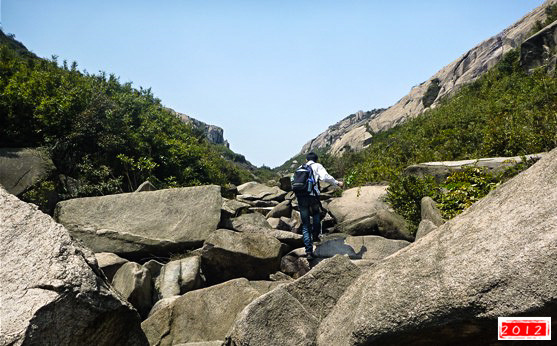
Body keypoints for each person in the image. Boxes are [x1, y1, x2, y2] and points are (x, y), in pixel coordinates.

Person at [293, 152, 343, 260]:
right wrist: (337, 183)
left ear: (307, 159)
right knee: (316, 215)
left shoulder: (300, 167)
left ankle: (309, 252)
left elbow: (294, 182)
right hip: (313, 197)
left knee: (305, 224)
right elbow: (325, 177)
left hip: (301, 198)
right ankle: (315, 236)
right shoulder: (317, 166)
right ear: (316, 159)